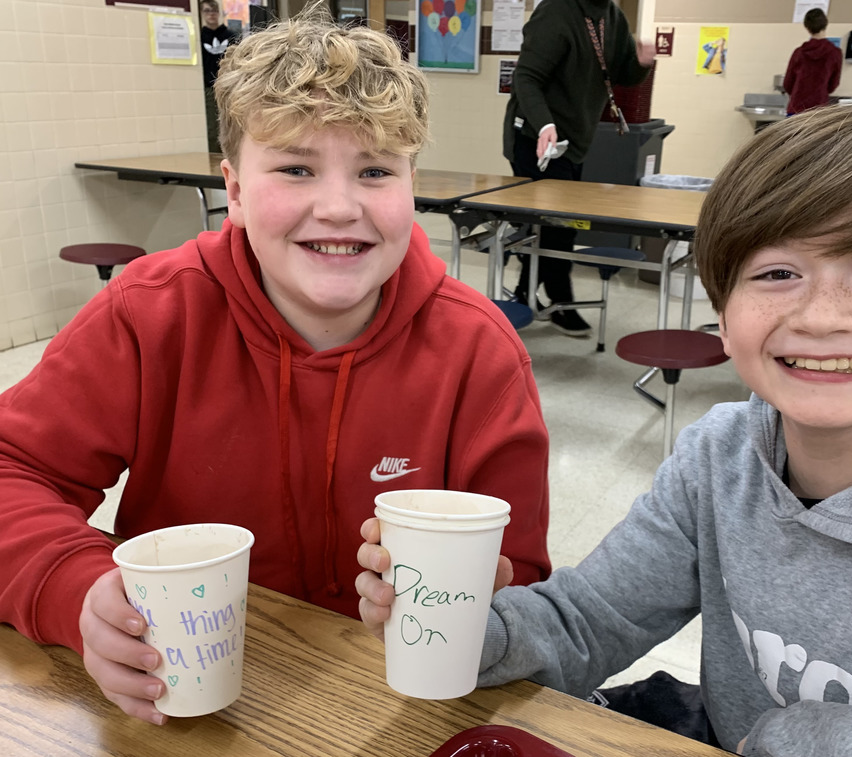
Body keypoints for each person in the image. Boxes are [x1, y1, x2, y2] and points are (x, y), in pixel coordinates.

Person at [357, 104, 852, 755]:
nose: (823, 317)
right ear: (725, 319)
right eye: (779, 273)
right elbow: (590, 620)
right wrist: (464, 629)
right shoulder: (721, 457)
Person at [0, 7, 551, 727]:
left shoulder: (479, 352)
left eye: (375, 170)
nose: (338, 206)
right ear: (232, 189)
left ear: (413, 184)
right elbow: (14, 467)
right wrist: (73, 589)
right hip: (179, 705)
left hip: (396, 707)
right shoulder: (150, 315)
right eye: (295, 167)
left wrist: (493, 594)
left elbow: (523, 577)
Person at [502, 0, 655, 337]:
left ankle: (525, 294)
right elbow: (526, 77)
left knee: (554, 225)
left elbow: (621, 73)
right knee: (557, 226)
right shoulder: (556, 11)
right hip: (536, 139)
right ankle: (561, 301)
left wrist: (643, 62)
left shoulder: (611, 16)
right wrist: (544, 124)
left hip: (572, 140)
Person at [783, 8, 842, 116]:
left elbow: (787, 83)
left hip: (796, 108)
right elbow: (833, 84)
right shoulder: (835, 53)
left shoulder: (799, 53)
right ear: (825, 25)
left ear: (807, 27)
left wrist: (799, 93)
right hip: (818, 111)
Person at [200, 0, 237, 152]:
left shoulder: (230, 36)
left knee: (231, 124)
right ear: (202, 13)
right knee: (212, 128)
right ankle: (214, 158)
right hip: (209, 88)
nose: (211, 14)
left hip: (229, 87)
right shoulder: (200, 37)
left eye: (214, 11)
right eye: (207, 11)